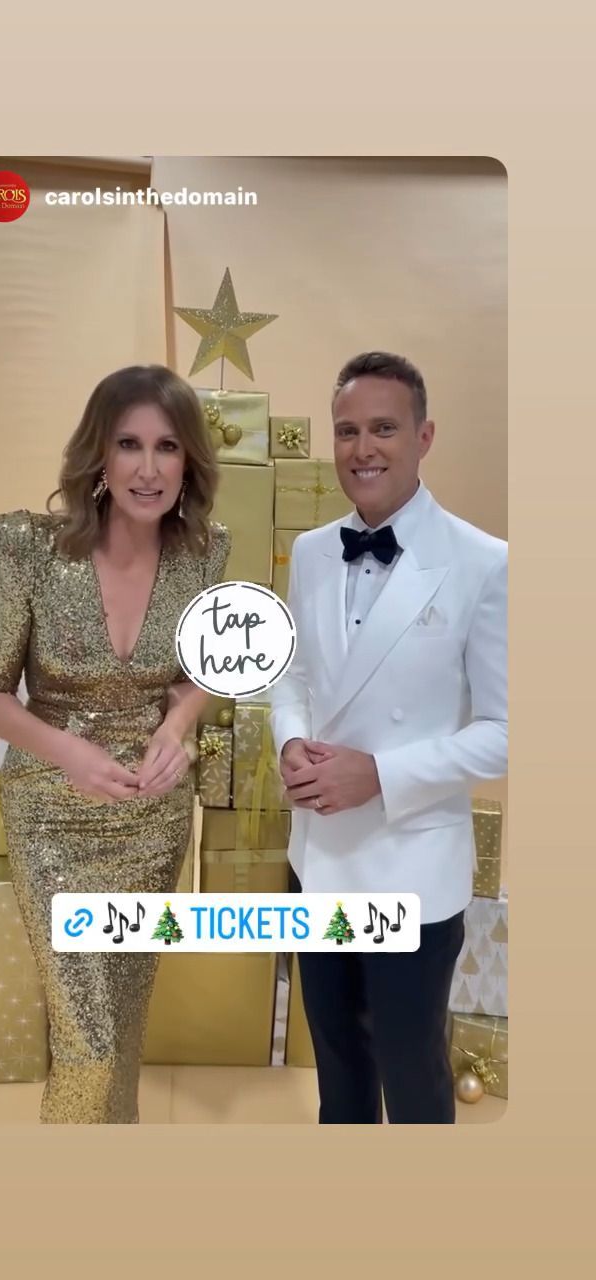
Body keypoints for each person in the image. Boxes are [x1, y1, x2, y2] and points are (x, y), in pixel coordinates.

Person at [0, 365, 231, 1124]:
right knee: (88, 1039)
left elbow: (203, 673)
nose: (148, 468)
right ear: (99, 456)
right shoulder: (28, 548)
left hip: (152, 819)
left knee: (123, 1018)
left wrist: (177, 728)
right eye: (128, 444)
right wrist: (69, 754)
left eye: (167, 447)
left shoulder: (204, 554)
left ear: (189, 462)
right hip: (51, 817)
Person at [269, 351, 507, 1124]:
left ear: (423, 436)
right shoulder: (312, 551)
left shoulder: (483, 563)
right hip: (319, 856)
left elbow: (505, 734)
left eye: (383, 429)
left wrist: (379, 774)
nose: (362, 448)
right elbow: (293, 675)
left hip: (412, 865)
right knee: (337, 1064)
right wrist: (291, 740)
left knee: (411, 1071)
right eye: (347, 431)